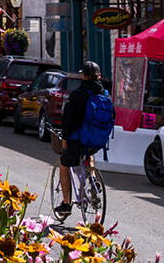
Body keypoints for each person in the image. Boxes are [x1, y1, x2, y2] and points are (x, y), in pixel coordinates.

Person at [55, 60, 112, 216]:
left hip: (78, 139)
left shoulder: (78, 95)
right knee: (89, 155)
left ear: (84, 76)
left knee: (64, 165)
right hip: (97, 140)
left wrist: (65, 138)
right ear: (98, 76)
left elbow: (68, 119)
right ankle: (92, 179)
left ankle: (66, 204)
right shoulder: (105, 94)